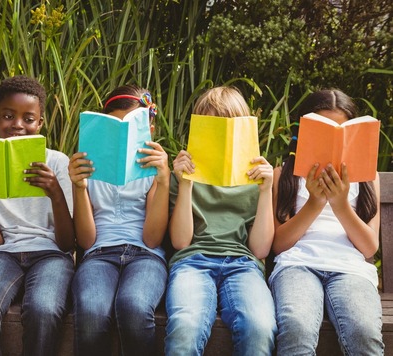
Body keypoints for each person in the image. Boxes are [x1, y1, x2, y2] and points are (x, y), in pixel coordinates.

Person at [0, 75, 75, 356]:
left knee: (44, 309)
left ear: (40, 123)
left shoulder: (57, 162)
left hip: (51, 255)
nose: (18, 125)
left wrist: (55, 194)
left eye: (29, 119)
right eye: (9, 116)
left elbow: (67, 243)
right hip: (4, 254)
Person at [269, 89, 384, 355]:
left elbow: (369, 248)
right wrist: (315, 202)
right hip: (298, 265)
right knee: (296, 327)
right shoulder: (284, 175)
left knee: (364, 331)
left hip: (350, 269)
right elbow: (280, 245)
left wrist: (341, 204)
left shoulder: (367, 178)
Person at [164, 86, 277, 356]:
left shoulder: (255, 178)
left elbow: (260, 250)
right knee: (185, 325)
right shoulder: (182, 174)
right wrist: (186, 185)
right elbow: (180, 242)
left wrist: (265, 191)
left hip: (242, 264)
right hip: (192, 261)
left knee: (259, 328)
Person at [68, 85, 169, 355]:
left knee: (134, 306)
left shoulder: (154, 170)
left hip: (146, 254)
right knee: (91, 310)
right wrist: (79, 187)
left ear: (150, 128)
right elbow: (87, 240)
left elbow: (152, 238)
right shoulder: (87, 167)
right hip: (99, 253)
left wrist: (163, 179)